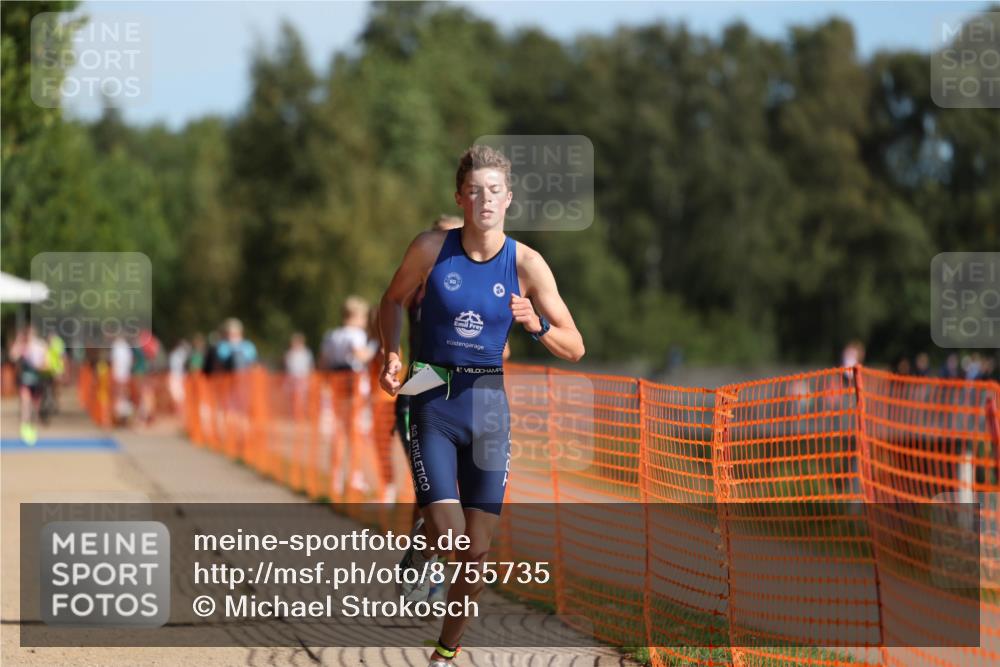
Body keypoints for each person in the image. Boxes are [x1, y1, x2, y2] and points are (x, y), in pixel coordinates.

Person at [377, 144, 585, 666]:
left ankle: (446, 651)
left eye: (494, 191)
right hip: (431, 392)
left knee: (477, 550)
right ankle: (429, 534)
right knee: (452, 541)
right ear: (460, 197)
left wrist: (534, 324)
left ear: (508, 199)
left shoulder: (528, 264)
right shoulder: (430, 248)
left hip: (489, 404)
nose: (485, 199)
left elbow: (575, 345)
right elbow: (391, 300)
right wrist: (390, 353)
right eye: (475, 190)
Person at [9, 327, 48, 444]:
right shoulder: (23, 346)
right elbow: (13, 356)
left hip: (37, 380)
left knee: (35, 406)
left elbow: (45, 362)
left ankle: (32, 427)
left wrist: (39, 365)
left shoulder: (41, 346)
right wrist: (18, 341)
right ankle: (24, 428)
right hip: (25, 381)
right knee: (25, 404)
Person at [284, 332, 314, 418]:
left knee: (302, 397)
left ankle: (302, 414)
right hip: (292, 378)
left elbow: (310, 366)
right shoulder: (289, 353)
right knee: (292, 397)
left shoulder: (306, 353)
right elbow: (288, 367)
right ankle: (293, 414)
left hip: (302, 378)